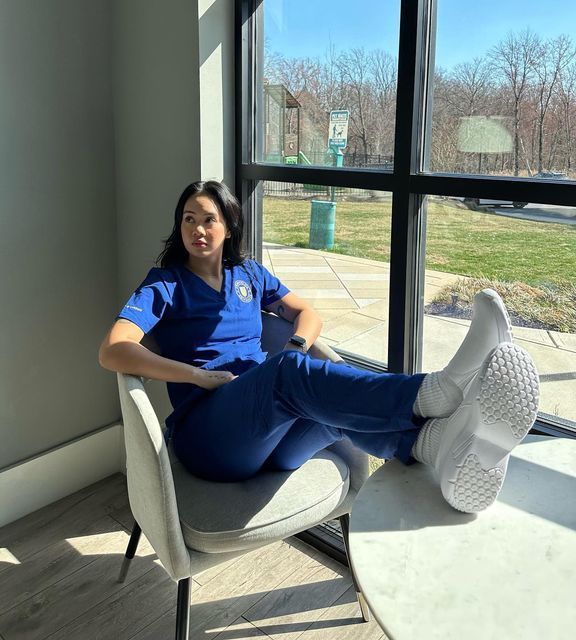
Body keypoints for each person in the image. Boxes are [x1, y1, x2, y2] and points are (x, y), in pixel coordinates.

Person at [99, 180, 540, 514]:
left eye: (208, 219)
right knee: (290, 374)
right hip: (210, 437)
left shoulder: (248, 274)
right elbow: (113, 351)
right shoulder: (166, 284)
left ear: (229, 225)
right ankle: (432, 392)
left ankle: (438, 448)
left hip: (271, 440)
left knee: (333, 406)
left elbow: (307, 314)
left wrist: (293, 344)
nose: (197, 229)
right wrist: (196, 376)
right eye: (188, 218)